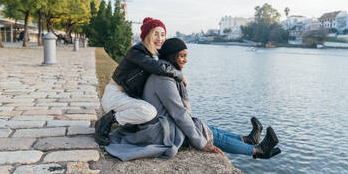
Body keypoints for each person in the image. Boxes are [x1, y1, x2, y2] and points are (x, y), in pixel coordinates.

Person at [105, 38, 281, 161]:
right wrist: (201, 143)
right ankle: (257, 151)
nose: (185, 60)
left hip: (163, 124)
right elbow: (179, 113)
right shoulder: (163, 79)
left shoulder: (166, 74)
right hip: (158, 131)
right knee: (203, 133)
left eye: (186, 56)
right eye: (181, 56)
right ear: (171, 57)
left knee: (204, 127)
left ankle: (246, 140)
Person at [95, 18, 186, 145]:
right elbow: (159, 68)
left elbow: (165, 65)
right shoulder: (137, 51)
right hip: (114, 96)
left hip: (127, 97)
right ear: (147, 35)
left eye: (163, 34)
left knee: (151, 114)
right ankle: (108, 120)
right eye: (155, 34)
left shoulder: (154, 54)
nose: (160, 38)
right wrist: (180, 76)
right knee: (149, 112)